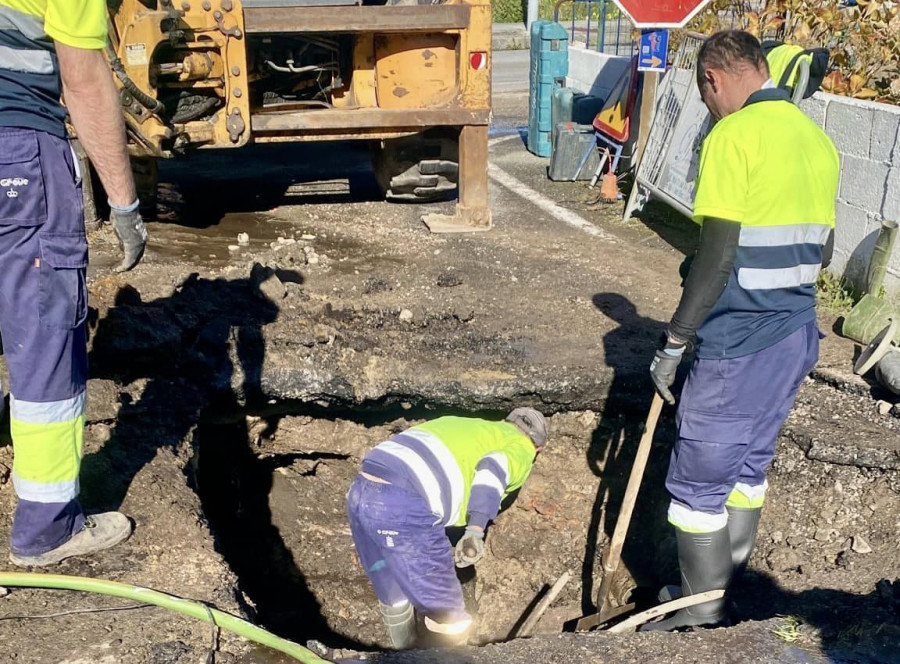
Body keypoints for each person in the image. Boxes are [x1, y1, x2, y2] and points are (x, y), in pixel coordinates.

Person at [645, 30, 838, 631]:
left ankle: (699, 617)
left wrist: (675, 341)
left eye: (706, 97)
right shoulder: (816, 139)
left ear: (713, 79)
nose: (710, 108)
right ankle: (718, 593)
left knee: (698, 483)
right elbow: (822, 248)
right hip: (795, 333)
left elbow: (720, 252)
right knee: (747, 471)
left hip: (741, 343)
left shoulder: (734, 135)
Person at [1, 0, 147, 566]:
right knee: (44, 341)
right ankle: (45, 529)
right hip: (18, 152)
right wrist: (125, 204)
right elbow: (83, 82)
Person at [346, 408, 548, 648]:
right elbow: (493, 468)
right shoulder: (522, 447)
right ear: (539, 448)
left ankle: (402, 654)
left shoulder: (466, 425)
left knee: (393, 590)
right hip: (404, 501)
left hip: (361, 491)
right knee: (447, 611)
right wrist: (475, 530)